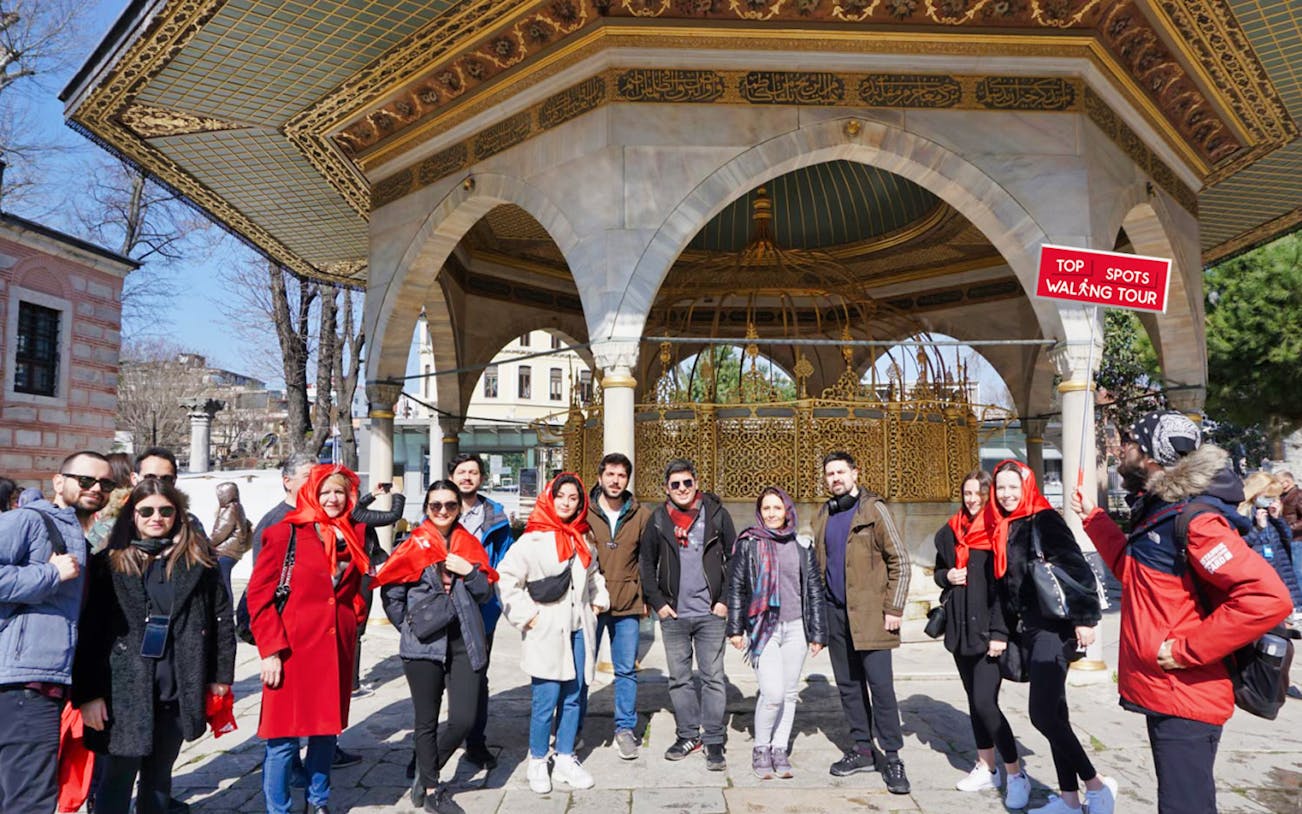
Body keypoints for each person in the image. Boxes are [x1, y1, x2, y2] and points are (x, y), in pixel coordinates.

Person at [1071, 411, 1292, 814]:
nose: (1123, 451)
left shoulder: (1196, 521)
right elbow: (1134, 575)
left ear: (1153, 456)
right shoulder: (1161, 511)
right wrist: (1094, 518)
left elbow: (1266, 598)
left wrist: (1187, 649)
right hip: (1167, 692)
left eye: (1131, 443)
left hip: (1187, 693)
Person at [73, 478, 236, 814]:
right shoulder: (109, 564)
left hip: (177, 687)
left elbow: (222, 619)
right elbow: (89, 633)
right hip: (123, 692)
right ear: (132, 515)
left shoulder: (199, 562)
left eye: (165, 510)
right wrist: (88, 695)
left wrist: (221, 675)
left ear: (177, 514)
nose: (156, 517)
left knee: (160, 778)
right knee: (117, 779)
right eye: (146, 510)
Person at [988, 459, 1113, 814]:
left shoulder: (1044, 518)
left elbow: (1077, 568)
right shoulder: (1006, 526)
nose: (1007, 494)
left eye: (1014, 487)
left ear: (1026, 486)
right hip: (1031, 628)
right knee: (1057, 714)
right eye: (1001, 488)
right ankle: (1070, 800)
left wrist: (1085, 619)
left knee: (1041, 714)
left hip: (1055, 628)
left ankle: (1097, 786)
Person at [247, 464, 370, 814]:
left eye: (340, 492)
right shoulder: (284, 534)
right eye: (326, 491)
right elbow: (259, 597)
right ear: (311, 492)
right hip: (291, 650)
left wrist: (354, 615)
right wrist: (270, 651)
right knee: (282, 741)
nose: (333, 498)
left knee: (325, 735)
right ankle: (279, 809)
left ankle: (318, 801)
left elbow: (351, 588)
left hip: (333, 650)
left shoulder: (353, 534)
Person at [0, 450, 112, 812]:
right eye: (86, 480)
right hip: (24, 684)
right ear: (59, 482)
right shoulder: (29, 521)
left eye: (105, 483)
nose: (96, 488)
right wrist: (50, 574)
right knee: (30, 800)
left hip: (40, 682)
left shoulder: (76, 531)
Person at [378, 480, 496, 814]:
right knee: (425, 722)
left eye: (450, 505)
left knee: (463, 719)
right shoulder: (413, 544)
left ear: (459, 508)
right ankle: (431, 788)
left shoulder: (469, 545)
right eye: (435, 506)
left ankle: (424, 770)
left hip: (464, 640)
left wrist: (469, 571)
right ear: (427, 508)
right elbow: (391, 593)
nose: (443, 511)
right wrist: (409, 626)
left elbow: (486, 593)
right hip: (423, 645)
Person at [497, 473, 608, 794]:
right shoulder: (531, 540)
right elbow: (505, 579)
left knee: (575, 695)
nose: (566, 503)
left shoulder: (582, 537)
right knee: (545, 699)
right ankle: (537, 759)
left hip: (579, 628)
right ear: (550, 497)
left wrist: (599, 600)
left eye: (573, 498)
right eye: (561, 496)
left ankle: (565, 756)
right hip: (546, 629)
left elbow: (593, 575)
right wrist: (527, 617)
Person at [812, 451, 911, 793]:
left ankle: (894, 758)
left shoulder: (873, 509)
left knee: (881, 689)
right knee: (849, 686)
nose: (835, 477)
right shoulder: (823, 514)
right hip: (836, 614)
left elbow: (900, 560)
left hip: (872, 616)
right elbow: (819, 568)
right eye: (830, 473)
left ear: (855, 473)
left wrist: (894, 608)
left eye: (840, 471)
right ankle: (863, 749)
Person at [932, 469, 1029, 807]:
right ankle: (986, 766)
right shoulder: (950, 531)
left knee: (987, 703)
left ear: (988, 496)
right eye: (967, 493)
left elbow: (1005, 590)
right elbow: (937, 572)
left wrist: (1001, 632)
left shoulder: (997, 531)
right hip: (960, 630)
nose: (972, 499)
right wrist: (948, 575)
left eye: (978, 494)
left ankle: (1016, 772)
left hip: (989, 632)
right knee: (974, 702)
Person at [640, 458, 736, 770]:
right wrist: (658, 603)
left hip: (711, 613)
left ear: (696, 482)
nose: (682, 489)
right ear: (666, 488)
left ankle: (713, 739)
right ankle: (688, 735)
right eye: (675, 484)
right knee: (679, 679)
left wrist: (724, 599)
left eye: (687, 483)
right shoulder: (658, 520)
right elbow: (646, 565)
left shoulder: (717, 514)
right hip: (675, 615)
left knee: (712, 677)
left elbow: (735, 560)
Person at [726, 486, 826, 779]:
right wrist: (735, 628)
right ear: (760, 512)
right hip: (763, 627)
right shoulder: (749, 543)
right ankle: (761, 747)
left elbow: (814, 591)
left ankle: (779, 748)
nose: (772, 513)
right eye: (766, 508)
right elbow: (736, 587)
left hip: (796, 627)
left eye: (777, 508)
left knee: (791, 693)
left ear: (787, 511)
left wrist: (817, 633)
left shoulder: (801, 546)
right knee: (773, 693)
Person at [581, 452, 651, 760]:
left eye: (621, 476)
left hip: (628, 603)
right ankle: (573, 726)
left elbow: (649, 559)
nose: (615, 480)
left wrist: (646, 596)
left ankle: (625, 728)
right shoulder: (585, 513)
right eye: (610, 474)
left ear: (627, 480)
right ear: (600, 478)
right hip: (591, 605)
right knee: (582, 669)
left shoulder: (640, 514)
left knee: (626, 671)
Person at [448, 453, 514, 771]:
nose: (467, 477)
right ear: (452, 476)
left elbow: (506, 560)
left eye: (473, 472)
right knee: (440, 677)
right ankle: (436, 744)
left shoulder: (495, 516)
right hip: (444, 607)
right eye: (462, 472)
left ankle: (475, 742)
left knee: (478, 675)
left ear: (481, 478)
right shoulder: (440, 510)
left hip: (481, 606)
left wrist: (493, 594)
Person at [349, 482, 405, 698]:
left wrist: (373, 495)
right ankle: (352, 685)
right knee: (357, 629)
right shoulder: (357, 514)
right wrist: (399, 494)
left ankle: (344, 682)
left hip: (354, 572)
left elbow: (358, 506)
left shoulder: (347, 512)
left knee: (351, 629)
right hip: (361, 573)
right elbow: (393, 515)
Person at [1238, 473, 1302, 615]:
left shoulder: (1270, 512)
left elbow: (1287, 538)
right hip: (1261, 571)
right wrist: (1257, 528)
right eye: (1268, 496)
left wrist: (1277, 518)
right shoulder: (1243, 514)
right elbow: (1239, 545)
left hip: (1281, 567)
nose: (1271, 500)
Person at [210, 482, 252, 604]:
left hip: (225, 551)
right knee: (224, 580)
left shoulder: (229, 509)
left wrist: (207, 543)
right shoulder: (238, 507)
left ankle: (226, 608)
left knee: (223, 582)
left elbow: (221, 531)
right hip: (234, 550)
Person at [1279, 471, 1302, 598]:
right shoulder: (1284, 496)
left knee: (1298, 573)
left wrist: (1289, 528)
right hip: (1288, 539)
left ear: (1287, 482)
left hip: (1297, 539)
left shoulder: (1298, 495)